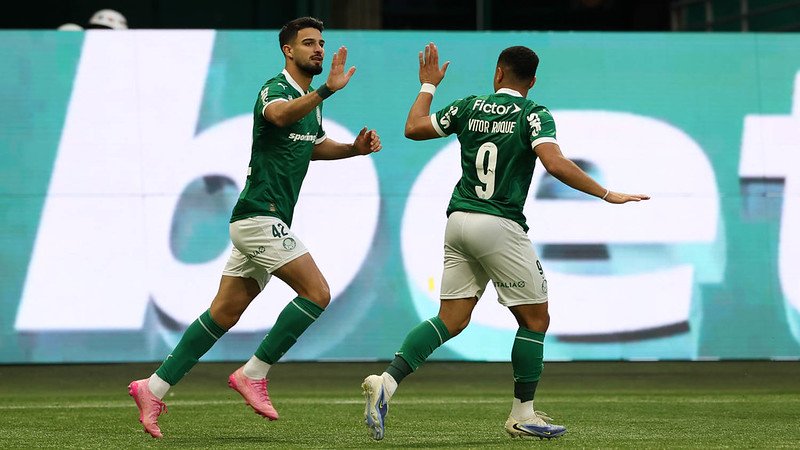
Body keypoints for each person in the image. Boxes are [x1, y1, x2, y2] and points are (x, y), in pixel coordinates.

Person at [361, 43, 649, 441]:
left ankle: (387, 382)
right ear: (532, 81)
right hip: (498, 224)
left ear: (498, 74)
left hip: (458, 220)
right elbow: (554, 162)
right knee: (535, 319)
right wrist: (606, 193)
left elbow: (413, 128)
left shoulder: (467, 106)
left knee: (452, 318)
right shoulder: (535, 114)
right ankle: (522, 414)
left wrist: (428, 84)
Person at [128, 16, 382, 439]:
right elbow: (280, 117)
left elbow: (313, 146)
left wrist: (352, 150)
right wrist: (325, 90)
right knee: (317, 293)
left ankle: (153, 388)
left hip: (269, 219)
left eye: (321, 42)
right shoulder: (276, 89)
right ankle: (253, 373)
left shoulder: (310, 100)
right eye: (308, 43)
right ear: (288, 51)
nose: (319, 49)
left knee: (223, 313)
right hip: (256, 216)